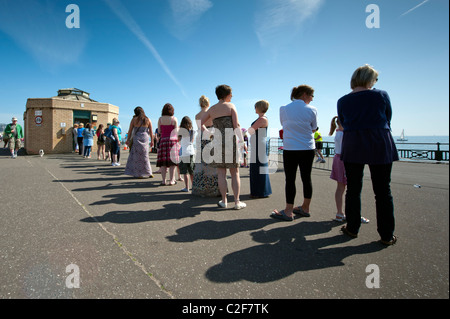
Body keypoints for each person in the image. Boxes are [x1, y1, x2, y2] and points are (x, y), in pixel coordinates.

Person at [337, 64, 398, 245]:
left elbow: (344, 122)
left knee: (354, 189)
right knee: (382, 191)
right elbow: (388, 117)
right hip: (379, 141)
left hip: (353, 142)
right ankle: (386, 235)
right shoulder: (380, 95)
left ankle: (352, 228)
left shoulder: (342, 100)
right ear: (370, 79)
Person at [271, 85, 317, 221]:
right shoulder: (312, 110)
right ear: (304, 94)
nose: (312, 99)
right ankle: (305, 208)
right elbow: (314, 128)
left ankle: (288, 211)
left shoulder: (283, 109)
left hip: (290, 148)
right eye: (311, 96)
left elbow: (284, 125)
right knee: (306, 178)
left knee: (290, 179)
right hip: (308, 148)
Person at [201, 85, 246, 210]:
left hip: (217, 141)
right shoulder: (231, 106)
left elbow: (200, 123)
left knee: (221, 173)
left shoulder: (212, 109)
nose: (232, 96)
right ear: (226, 94)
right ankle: (237, 202)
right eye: (231, 94)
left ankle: (224, 201)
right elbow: (236, 125)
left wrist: (209, 133)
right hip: (230, 141)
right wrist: (242, 142)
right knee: (234, 172)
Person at [329, 116, 370, 224]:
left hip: (338, 159)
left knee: (340, 188)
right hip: (346, 160)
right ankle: (354, 215)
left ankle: (339, 213)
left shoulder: (338, 132)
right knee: (353, 189)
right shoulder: (345, 134)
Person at [192, 95, 221, 197]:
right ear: (208, 103)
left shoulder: (197, 115)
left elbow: (200, 128)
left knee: (202, 163)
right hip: (213, 136)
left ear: (200, 104)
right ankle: (215, 188)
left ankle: (201, 188)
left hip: (201, 138)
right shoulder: (212, 112)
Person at [248, 100, 272, 198]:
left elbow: (251, 130)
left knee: (259, 168)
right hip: (257, 144)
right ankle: (259, 191)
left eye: (256, 107)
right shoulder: (261, 119)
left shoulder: (262, 119)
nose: (255, 109)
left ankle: (260, 192)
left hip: (259, 145)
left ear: (259, 107)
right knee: (256, 167)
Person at [124, 107, 154, 178]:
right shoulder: (147, 119)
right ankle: (148, 172)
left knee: (136, 157)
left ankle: (139, 173)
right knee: (145, 155)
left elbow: (130, 130)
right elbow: (151, 132)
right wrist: (152, 141)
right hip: (145, 138)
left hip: (136, 138)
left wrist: (128, 140)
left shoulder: (134, 120)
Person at [156, 103, 179, 185]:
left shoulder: (160, 119)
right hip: (172, 141)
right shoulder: (174, 119)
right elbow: (176, 131)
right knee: (172, 162)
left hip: (163, 141)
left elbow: (159, 131)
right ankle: (172, 180)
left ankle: (163, 180)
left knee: (163, 162)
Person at [178, 116, 195, 191]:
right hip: (191, 151)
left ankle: (186, 187)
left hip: (184, 152)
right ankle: (193, 186)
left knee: (185, 172)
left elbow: (178, 140)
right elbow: (192, 141)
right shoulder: (192, 131)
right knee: (191, 171)